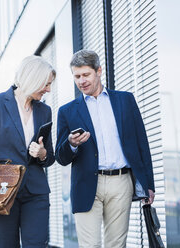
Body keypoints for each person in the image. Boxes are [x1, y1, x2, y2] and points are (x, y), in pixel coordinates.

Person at [55, 49, 155, 247]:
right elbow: (60, 156)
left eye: (86, 75)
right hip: (86, 183)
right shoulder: (67, 111)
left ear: (99, 71)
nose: (81, 81)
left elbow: (141, 143)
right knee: (89, 245)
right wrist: (72, 144)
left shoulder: (125, 100)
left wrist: (148, 183)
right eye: (77, 76)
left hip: (121, 182)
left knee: (117, 244)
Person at [0, 55, 56, 248]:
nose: (48, 89)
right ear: (33, 78)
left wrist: (42, 153)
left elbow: (49, 156)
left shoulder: (45, 110)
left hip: (36, 191)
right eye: (46, 84)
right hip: (2, 190)